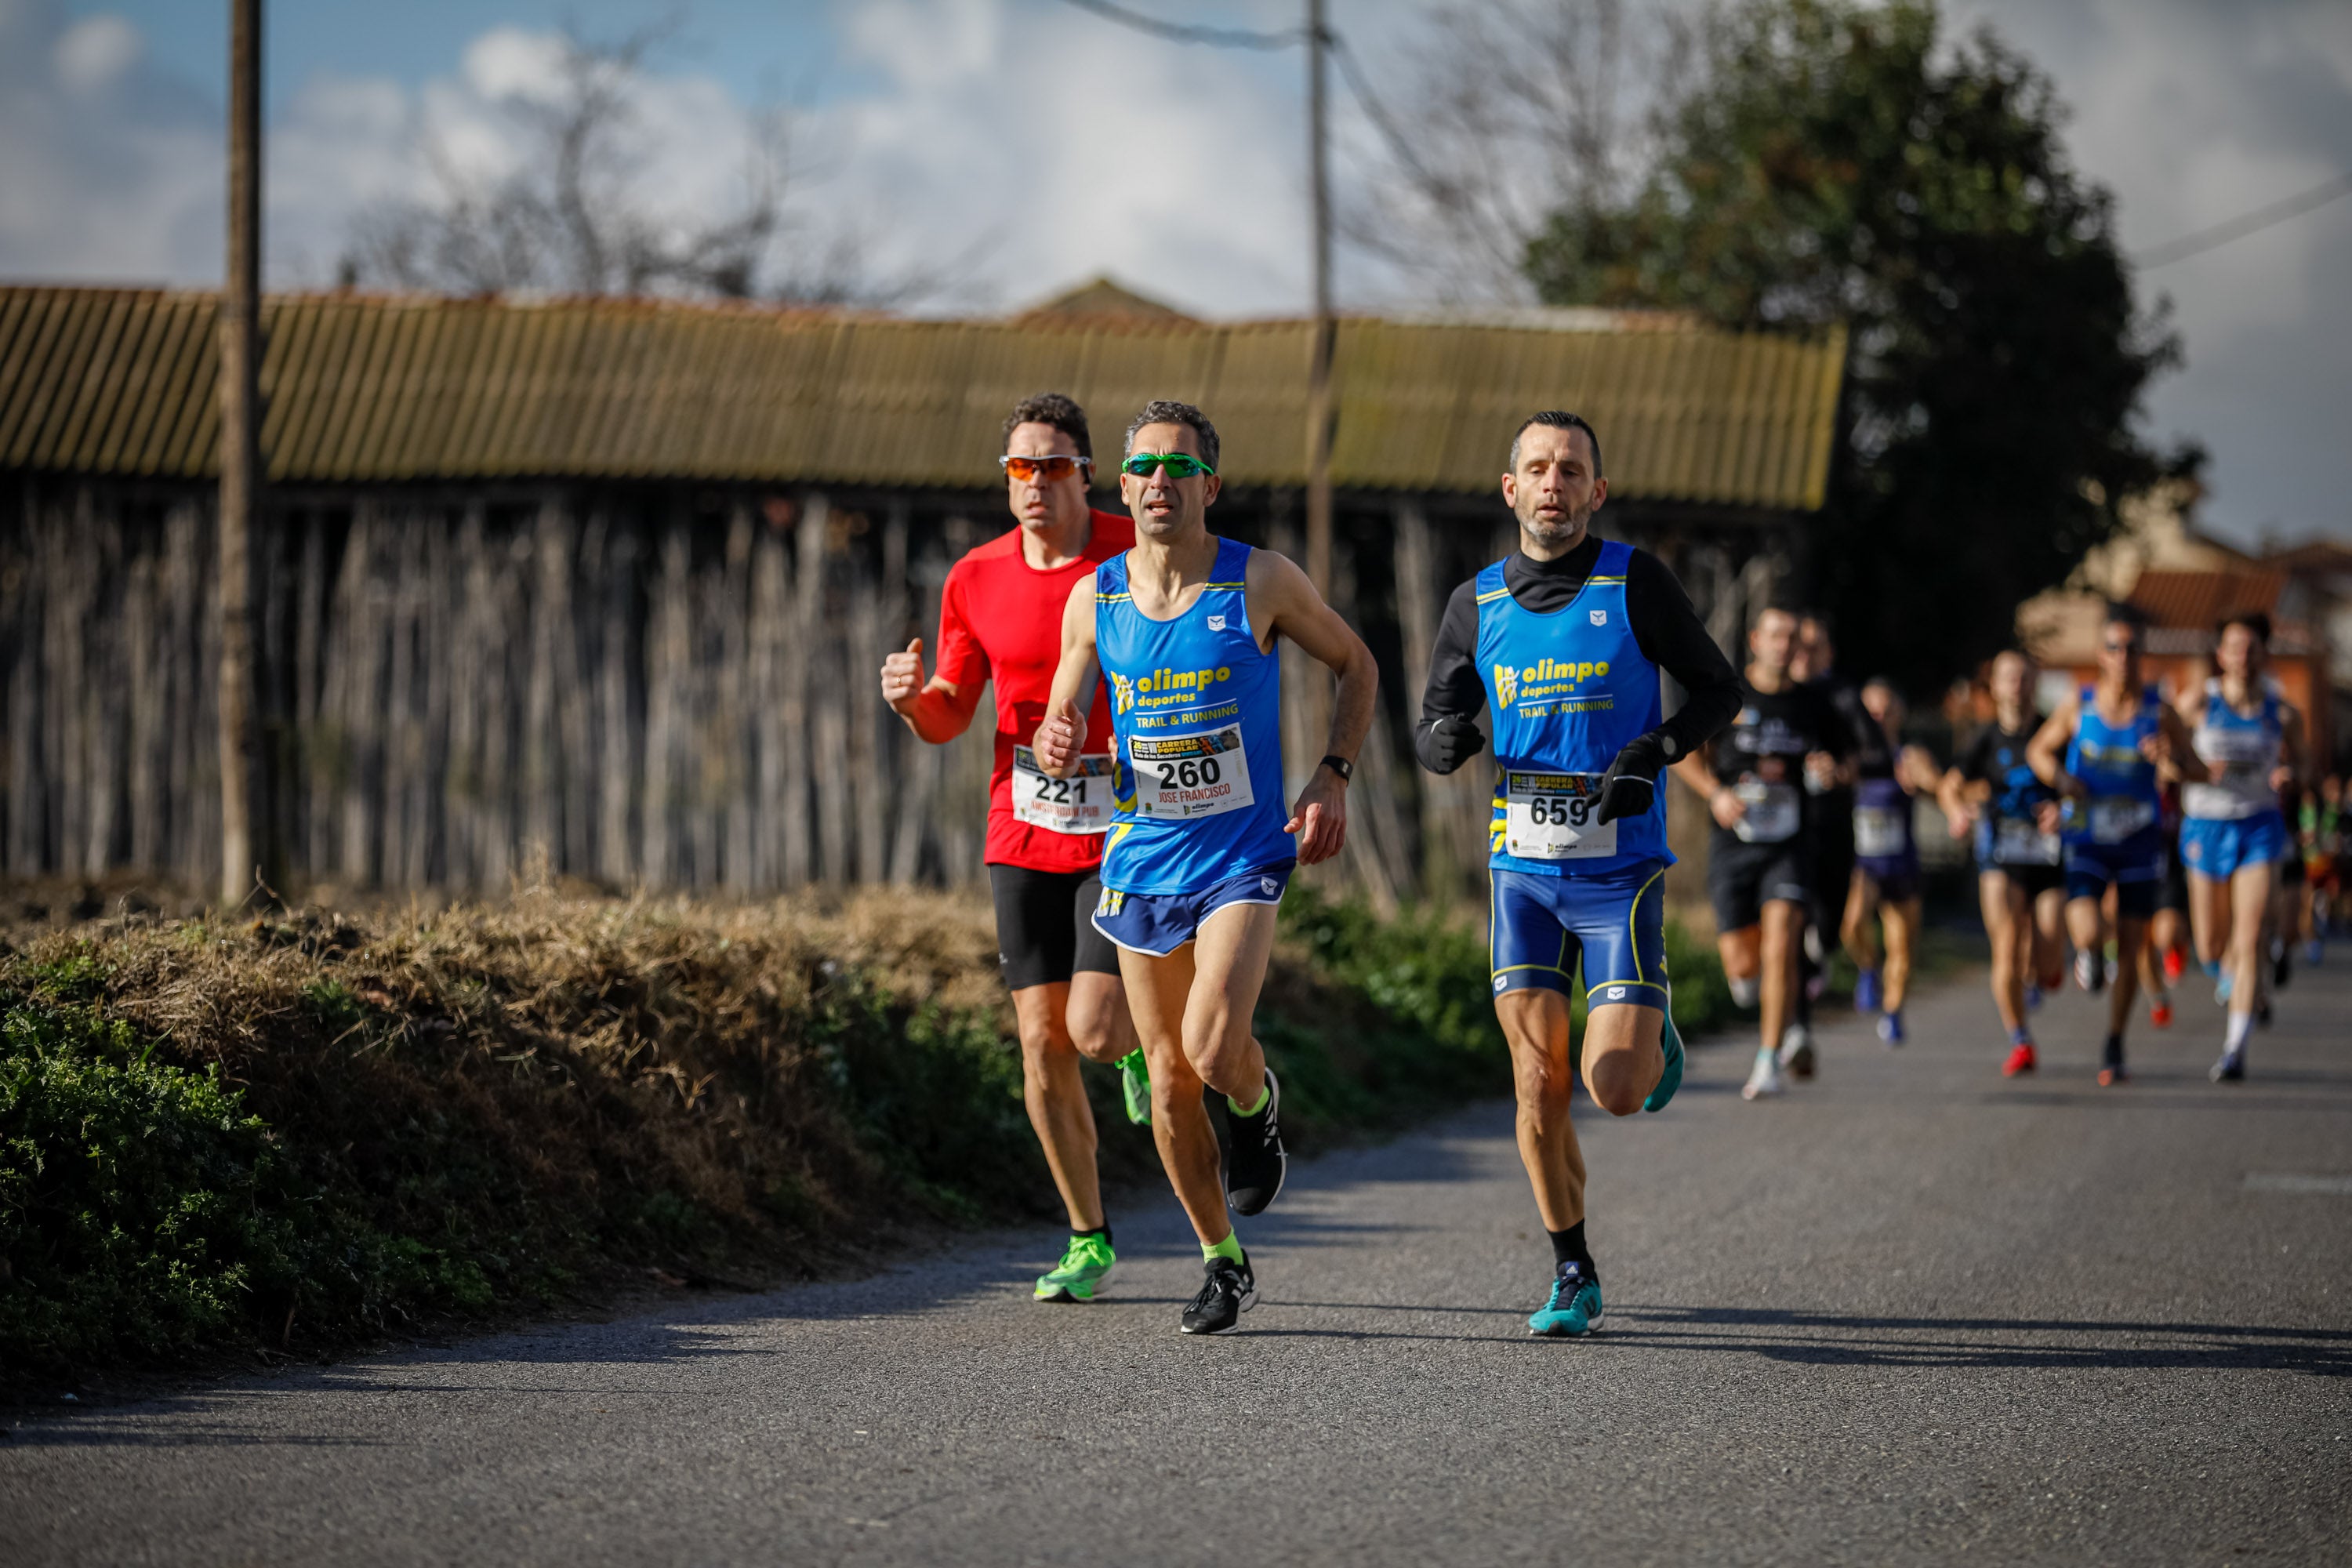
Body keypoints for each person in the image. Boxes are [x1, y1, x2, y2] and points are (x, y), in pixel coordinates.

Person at [1033, 399, 1377, 1336]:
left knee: (1214, 1049)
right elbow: (1062, 710)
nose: (1160, 481)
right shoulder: (1095, 597)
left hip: (1240, 856)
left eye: (1180, 467)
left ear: (1209, 486)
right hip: (1142, 861)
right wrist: (1060, 732)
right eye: (1144, 467)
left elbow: (1356, 662)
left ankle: (1257, 1102)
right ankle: (1222, 1258)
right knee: (1169, 1079)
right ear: (1123, 485)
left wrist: (1333, 773)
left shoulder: (1259, 579)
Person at [1414, 410, 1740, 1337]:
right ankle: (1573, 1268)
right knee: (1536, 1082)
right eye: (1537, 467)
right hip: (1521, 872)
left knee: (1615, 1088)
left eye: (1570, 469)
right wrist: (1444, 740)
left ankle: (1650, 1028)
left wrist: (1656, 748)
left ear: (1596, 491)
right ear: (1510, 488)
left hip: (1618, 872)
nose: (1552, 482)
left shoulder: (1634, 581)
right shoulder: (1476, 603)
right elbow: (1433, 723)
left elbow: (1720, 688)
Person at [878, 392, 1145, 1306]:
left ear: (1087, 474)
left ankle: (1138, 1044)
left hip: (1126, 822)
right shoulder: (975, 576)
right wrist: (913, 700)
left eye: (1054, 464)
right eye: (1020, 467)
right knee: (1040, 1038)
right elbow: (952, 711)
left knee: (1095, 1027)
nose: (1036, 481)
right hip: (1022, 822)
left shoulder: (1132, 553)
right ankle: (1087, 1235)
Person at [1671, 606, 1856, 1100]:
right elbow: (1682, 755)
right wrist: (1715, 793)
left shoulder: (1815, 704)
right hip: (1733, 842)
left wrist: (1833, 771)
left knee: (1782, 944)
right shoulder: (1726, 693)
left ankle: (1769, 1058)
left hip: (1790, 844)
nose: (1784, 646)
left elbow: (1848, 762)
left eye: (1792, 638)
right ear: (1756, 640)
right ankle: (1760, 992)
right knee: (1743, 969)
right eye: (1775, 636)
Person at [2026, 605, 2204, 1086]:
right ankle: (2088, 954)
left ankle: (2115, 1040)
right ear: (2100, 655)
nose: (2123, 656)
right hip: (2086, 835)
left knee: (2131, 946)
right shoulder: (2079, 704)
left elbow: (2199, 769)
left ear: (2142, 655)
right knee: (2086, 929)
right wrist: (2062, 779)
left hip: (2139, 842)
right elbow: (2038, 750)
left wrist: (2172, 757)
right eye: (2114, 648)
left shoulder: (2159, 711)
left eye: (2131, 648)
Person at [2176, 611, 2303, 1081]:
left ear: (2264, 654)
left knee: (2249, 938)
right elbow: (2170, 754)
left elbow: (2306, 765)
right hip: (2206, 826)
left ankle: (2234, 1049)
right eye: (2234, 648)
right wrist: (2184, 766)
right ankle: (2228, 973)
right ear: (2221, 655)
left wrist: (2291, 775)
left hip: (2259, 825)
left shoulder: (2282, 713)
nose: (2243, 657)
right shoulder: (2197, 703)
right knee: (2211, 945)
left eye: (2251, 648)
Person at [1940, 650, 2067, 1075]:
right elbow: (1950, 786)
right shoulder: (1984, 738)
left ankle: (2042, 973)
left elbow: (2081, 787)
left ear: (2035, 682)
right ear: (1994, 687)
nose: (2017, 685)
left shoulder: (2054, 733)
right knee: (2007, 948)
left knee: (2049, 961)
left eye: (2024, 676)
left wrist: (2063, 810)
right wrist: (1957, 812)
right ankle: (2020, 1039)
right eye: (2008, 677)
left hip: (2048, 857)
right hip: (2000, 854)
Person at [1843, 678, 1940, 1045]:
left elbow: (1936, 785)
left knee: (1902, 948)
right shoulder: (1852, 756)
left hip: (1901, 866)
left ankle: (1894, 1012)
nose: (1879, 719)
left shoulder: (1909, 757)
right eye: (1872, 713)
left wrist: (1923, 783)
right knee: (1852, 923)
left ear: (1899, 715)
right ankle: (1868, 967)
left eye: (1886, 712)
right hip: (1864, 864)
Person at [1791, 616, 1873, 1025]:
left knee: (1826, 924)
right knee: (1791, 912)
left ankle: (1820, 954)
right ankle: (1794, 1022)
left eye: (1814, 646)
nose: (1804, 654)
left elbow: (1874, 754)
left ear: (1829, 653)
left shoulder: (1842, 697)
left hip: (1833, 821)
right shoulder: (1769, 694)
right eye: (1798, 644)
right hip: (1785, 829)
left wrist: (1839, 772)